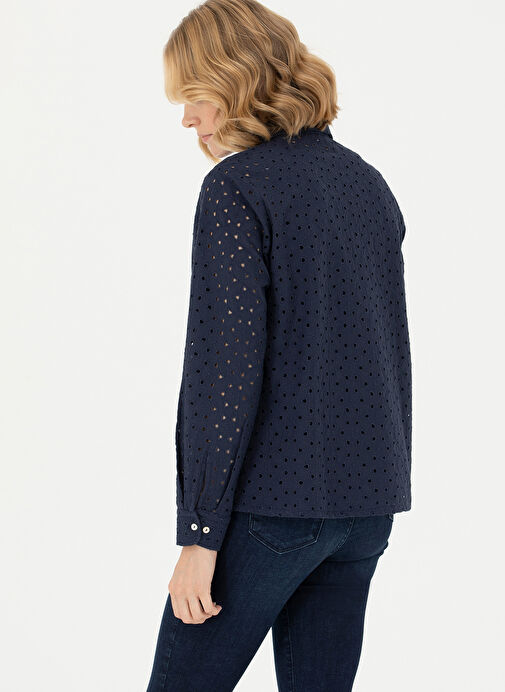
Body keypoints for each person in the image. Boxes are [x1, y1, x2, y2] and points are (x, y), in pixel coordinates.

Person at [146, 1, 412, 690]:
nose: (188, 119)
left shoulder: (236, 189)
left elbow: (225, 371)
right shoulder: (366, 184)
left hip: (272, 508)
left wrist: (199, 534)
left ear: (235, 80)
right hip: (365, 508)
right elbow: (380, 350)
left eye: (195, 96)